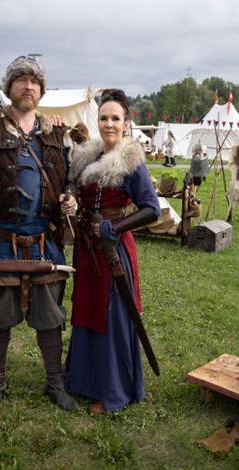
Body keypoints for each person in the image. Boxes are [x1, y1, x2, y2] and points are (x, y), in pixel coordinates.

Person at [0, 56, 79, 412]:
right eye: (21, 80)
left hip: (44, 243)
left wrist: (70, 199)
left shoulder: (54, 132)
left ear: (41, 90)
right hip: (2, 242)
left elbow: (68, 178)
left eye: (34, 81)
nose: (28, 85)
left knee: (50, 316)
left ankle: (55, 382)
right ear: (9, 88)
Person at [65, 89, 161, 414]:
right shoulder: (86, 157)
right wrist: (70, 196)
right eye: (104, 118)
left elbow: (151, 209)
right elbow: (73, 185)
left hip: (113, 251)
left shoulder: (131, 162)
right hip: (87, 248)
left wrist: (115, 228)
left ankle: (113, 391)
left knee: (110, 316)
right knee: (88, 309)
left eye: (115, 118)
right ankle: (84, 381)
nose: (108, 124)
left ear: (126, 123)